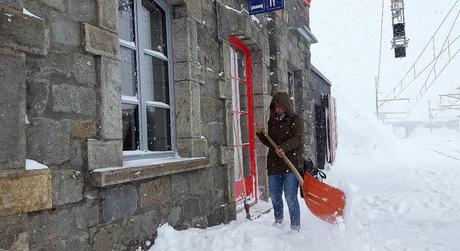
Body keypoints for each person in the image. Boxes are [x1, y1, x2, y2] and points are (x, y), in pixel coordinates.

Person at [256, 92, 304, 232]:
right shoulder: (272, 121)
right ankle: (278, 222)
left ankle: (295, 227)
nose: (278, 110)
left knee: (290, 196)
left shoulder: (296, 119)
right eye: (275, 107)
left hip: (291, 163)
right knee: (275, 195)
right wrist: (260, 134)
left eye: (280, 107)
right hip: (274, 164)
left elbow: (298, 139)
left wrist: (284, 148)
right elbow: (271, 143)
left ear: (286, 106)